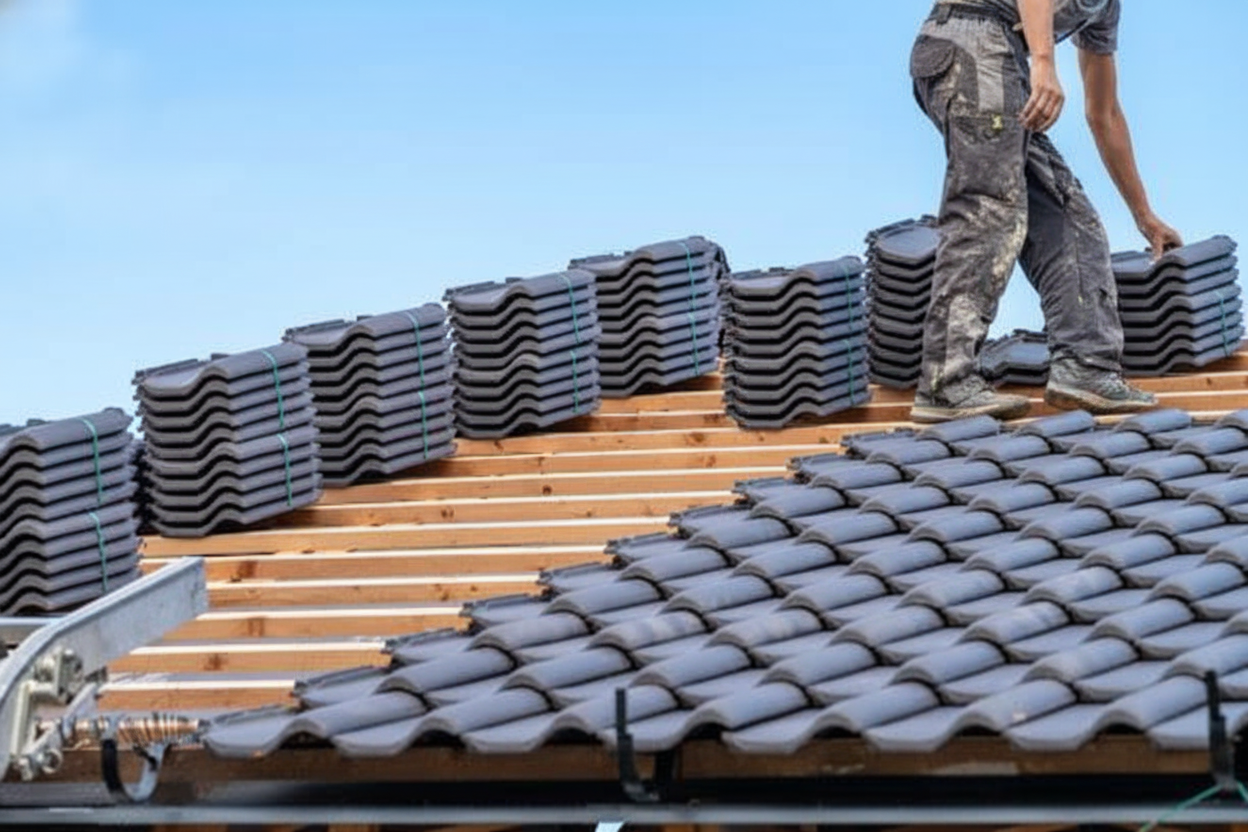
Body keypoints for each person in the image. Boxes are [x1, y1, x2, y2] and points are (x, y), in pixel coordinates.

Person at [907, 0, 1183, 424]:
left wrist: (1143, 214)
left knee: (1071, 218)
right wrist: (1043, 62)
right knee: (989, 211)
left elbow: (1104, 113)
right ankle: (947, 382)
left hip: (998, 63)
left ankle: (1085, 368)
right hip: (972, 43)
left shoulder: (1105, 8)